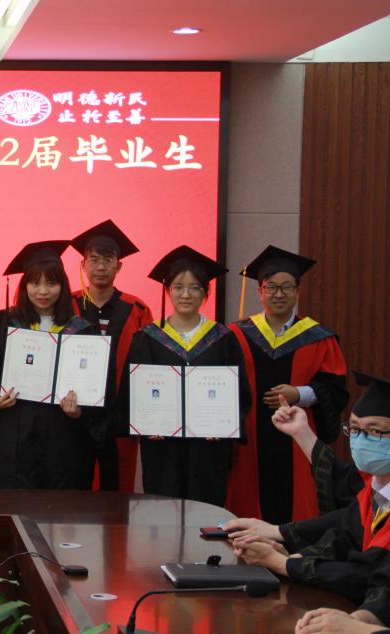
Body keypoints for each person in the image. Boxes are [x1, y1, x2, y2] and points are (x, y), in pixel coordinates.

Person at [226, 373, 390, 628]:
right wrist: (291, 554)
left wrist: (284, 563)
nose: (361, 440)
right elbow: (342, 537)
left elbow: (367, 572)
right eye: (355, 429)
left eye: (375, 431)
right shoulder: (375, 491)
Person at [118, 245, 251, 506]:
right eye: (178, 287)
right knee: (162, 507)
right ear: (168, 290)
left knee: (205, 507)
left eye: (195, 288)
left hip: (208, 447)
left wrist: (224, 426)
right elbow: (132, 392)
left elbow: (239, 393)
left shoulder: (222, 338)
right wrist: (146, 424)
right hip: (162, 447)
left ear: (205, 292)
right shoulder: (147, 338)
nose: (186, 294)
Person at [227, 245, 349, 523]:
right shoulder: (237, 334)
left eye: (287, 287)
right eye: (271, 287)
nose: (279, 294)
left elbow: (336, 388)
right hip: (249, 444)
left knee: (298, 508)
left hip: (298, 441)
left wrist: (300, 394)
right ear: (260, 291)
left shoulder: (318, 337)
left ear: (297, 291)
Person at [0, 240, 96, 489]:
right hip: (13, 428)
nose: (42, 291)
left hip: (61, 433)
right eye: (34, 283)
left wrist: (80, 411)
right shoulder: (5, 322)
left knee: (59, 500)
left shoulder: (80, 330)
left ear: (63, 286)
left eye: (51, 283)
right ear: (25, 286)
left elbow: (94, 386)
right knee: (14, 498)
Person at [70, 219, 153, 492]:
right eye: (94, 260)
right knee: (72, 487)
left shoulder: (137, 309)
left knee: (117, 491)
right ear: (83, 265)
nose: (101, 266)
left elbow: (148, 367)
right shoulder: (68, 305)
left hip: (119, 418)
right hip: (73, 415)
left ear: (119, 266)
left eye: (108, 260)